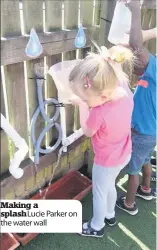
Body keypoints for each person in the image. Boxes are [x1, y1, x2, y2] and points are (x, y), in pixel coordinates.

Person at [69, 45, 134, 237]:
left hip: (106, 161)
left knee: (99, 192)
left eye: (86, 99)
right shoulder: (124, 91)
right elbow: (117, 74)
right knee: (109, 185)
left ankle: (97, 226)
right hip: (123, 154)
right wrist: (112, 64)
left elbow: (88, 131)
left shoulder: (99, 111)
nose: (85, 101)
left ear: (103, 96)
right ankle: (110, 214)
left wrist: (82, 106)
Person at [116, 0, 156, 215]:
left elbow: (138, 46)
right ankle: (146, 189)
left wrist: (134, 9)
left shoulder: (156, 69)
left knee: (133, 169)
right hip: (150, 134)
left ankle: (129, 203)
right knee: (146, 159)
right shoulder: (153, 73)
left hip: (141, 133)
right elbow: (139, 69)